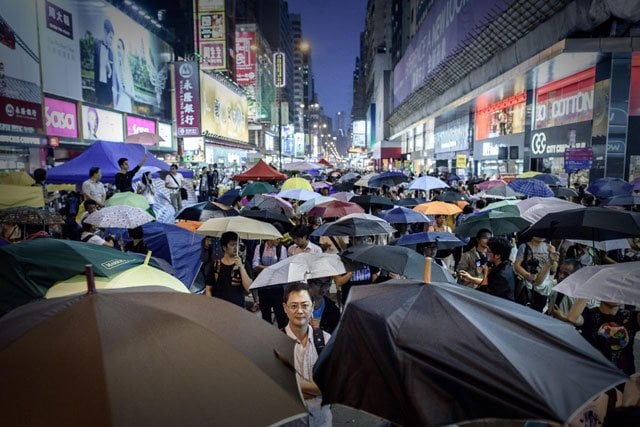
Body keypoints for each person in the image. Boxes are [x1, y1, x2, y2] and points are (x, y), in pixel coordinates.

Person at [282, 282, 332, 426]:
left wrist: (291, 385)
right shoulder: (275, 343)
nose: (300, 311)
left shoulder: (326, 340)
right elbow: (275, 391)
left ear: (312, 306)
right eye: (293, 306)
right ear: (285, 308)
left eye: (304, 305)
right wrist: (318, 389)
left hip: (322, 422)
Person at [459, 236, 515, 301]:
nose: (485, 252)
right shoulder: (502, 265)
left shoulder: (502, 275)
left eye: (488, 251)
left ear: (497, 256)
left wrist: (485, 274)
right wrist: (470, 279)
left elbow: (484, 293)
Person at [204, 231, 252, 307]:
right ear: (224, 247)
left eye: (237, 244)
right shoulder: (215, 265)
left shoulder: (244, 264)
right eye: (232, 244)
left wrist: (241, 267)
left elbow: (248, 288)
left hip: (238, 309)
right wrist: (210, 305)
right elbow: (208, 288)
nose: (236, 247)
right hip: (219, 308)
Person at [513, 236, 558, 311]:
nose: (540, 235)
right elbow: (517, 265)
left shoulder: (550, 247)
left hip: (543, 288)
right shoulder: (524, 246)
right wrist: (527, 275)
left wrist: (552, 254)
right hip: (528, 286)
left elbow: (553, 270)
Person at [252, 237, 288, 328]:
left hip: (277, 287)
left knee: (280, 315)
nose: (278, 241)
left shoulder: (282, 249)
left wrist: (263, 267)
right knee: (265, 315)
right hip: (263, 286)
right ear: (269, 237)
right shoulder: (259, 247)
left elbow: (282, 267)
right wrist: (272, 268)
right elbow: (254, 265)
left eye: (280, 239)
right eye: (276, 238)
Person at [94, 19, 115, 106]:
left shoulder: (111, 52)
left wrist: (109, 72)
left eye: (112, 38)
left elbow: (111, 73)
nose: (111, 40)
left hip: (107, 89)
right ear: (105, 32)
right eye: (110, 37)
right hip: (99, 85)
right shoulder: (96, 45)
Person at [113, 38, 134, 112]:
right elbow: (114, 87)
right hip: (119, 103)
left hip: (126, 103)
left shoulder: (128, 70)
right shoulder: (116, 67)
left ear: (123, 50)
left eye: (119, 47)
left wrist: (125, 90)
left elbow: (133, 94)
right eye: (117, 47)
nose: (118, 50)